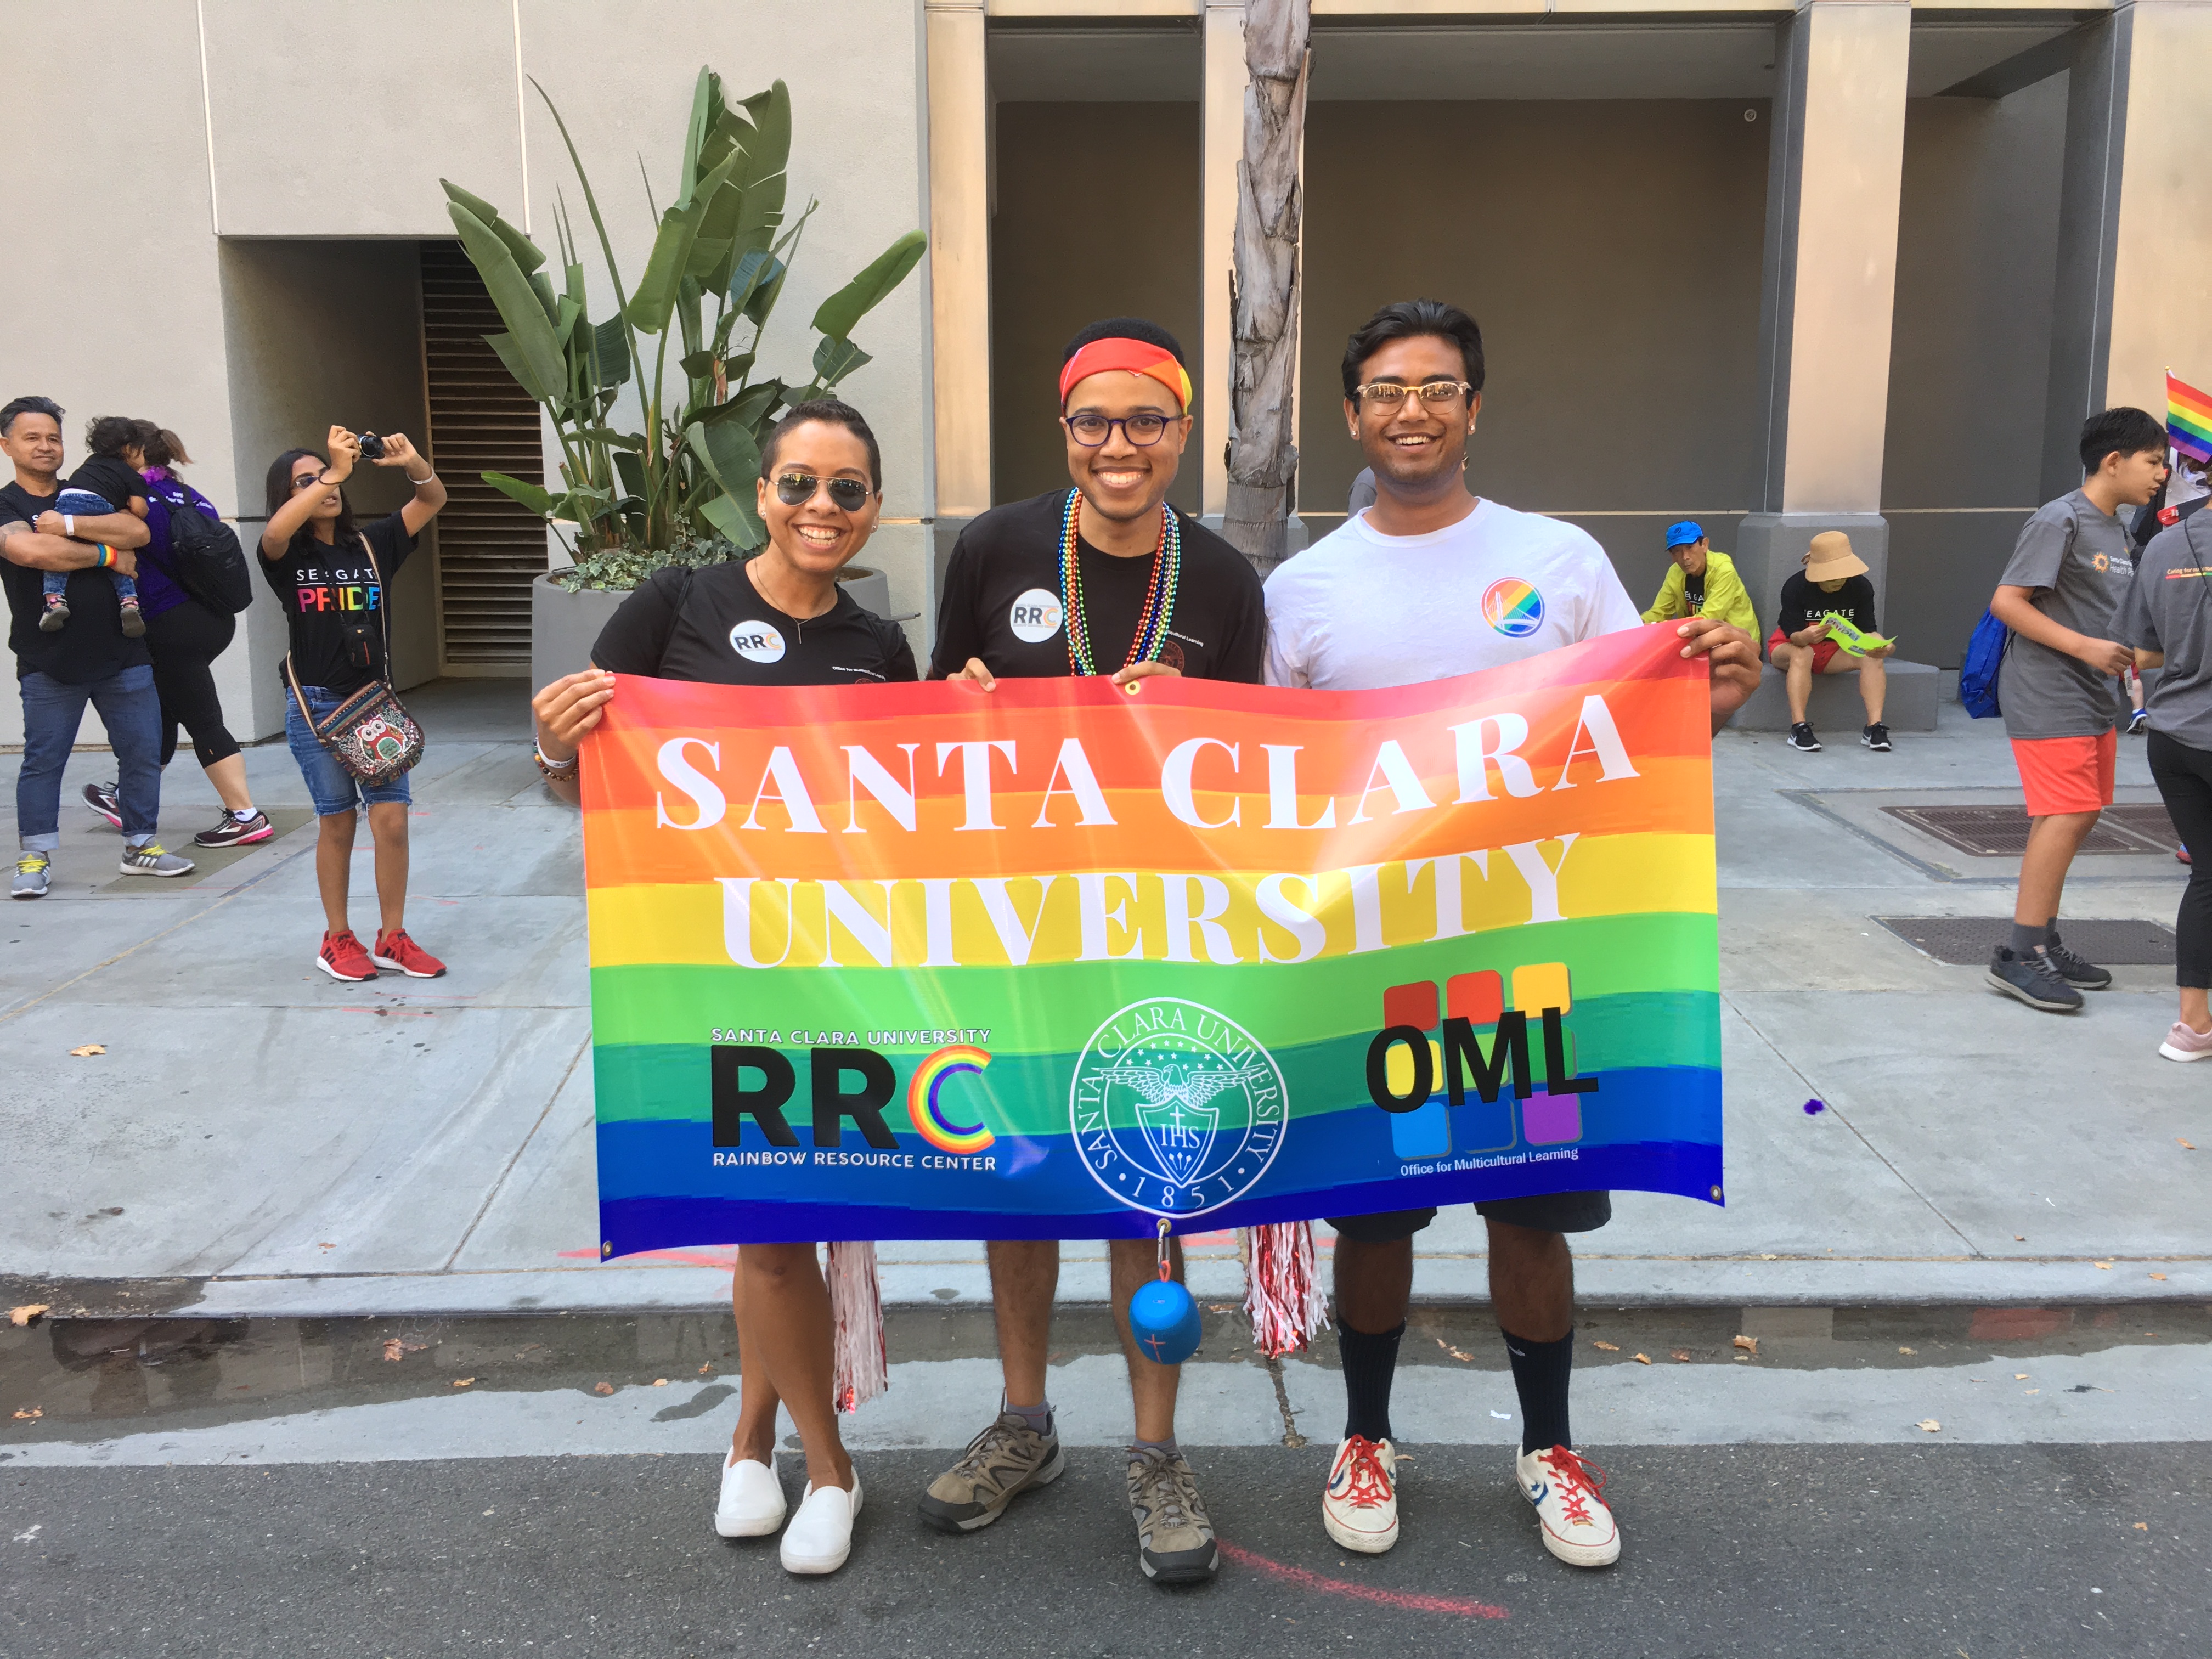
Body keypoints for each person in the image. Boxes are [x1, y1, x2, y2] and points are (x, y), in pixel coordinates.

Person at [1263, 300, 1759, 1572]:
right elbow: (1261, 791)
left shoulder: (1562, 560)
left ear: (1474, 408)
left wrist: (1716, 699)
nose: (1412, 409)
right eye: (1386, 389)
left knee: (1528, 1217)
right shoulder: (1303, 591)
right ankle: (1365, 1435)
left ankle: (1549, 1446)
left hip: (1532, 962)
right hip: (1370, 968)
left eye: (1438, 387)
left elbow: (1640, 736)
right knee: (1372, 1219)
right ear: (1352, 415)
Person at [531, 399, 914, 1577]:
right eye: (799, 484)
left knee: (796, 1214)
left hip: (835, 974)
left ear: (874, 508)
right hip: (702, 967)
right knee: (769, 1218)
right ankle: (833, 1468)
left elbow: (909, 818)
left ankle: (751, 1439)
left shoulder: (878, 644)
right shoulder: (680, 604)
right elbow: (581, 773)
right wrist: (555, 742)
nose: (822, 509)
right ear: (761, 492)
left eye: (847, 491)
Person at [922, 318, 1265, 1585]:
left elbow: (1251, 782)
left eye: (1145, 422)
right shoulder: (997, 546)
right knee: (1018, 1179)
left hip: (1160, 937)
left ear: (1180, 433)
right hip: (1011, 929)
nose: (1118, 447)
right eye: (1093, 423)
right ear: (1063, 429)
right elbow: (923, 722)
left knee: (1145, 1188)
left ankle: (1155, 1449)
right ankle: (1025, 1426)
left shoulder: (1223, 581)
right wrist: (953, 708)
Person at [1985, 407, 2169, 1013]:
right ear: (2112, 461)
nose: (2162, 474)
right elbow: (2008, 602)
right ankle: (2020, 954)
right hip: (2047, 688)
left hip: (2094, 694)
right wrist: (2084, 647)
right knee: (2067, 812)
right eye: (2153, 462)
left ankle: (2044, 937)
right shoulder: (2058, 519)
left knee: (2079, 816)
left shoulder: (2117, 529)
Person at [259, 426, 448, 979]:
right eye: (307, 481)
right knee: (337, 823)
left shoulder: (372, 544)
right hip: (316, 707)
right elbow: (272, 533)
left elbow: (432, 499)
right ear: (287, 495)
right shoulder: (285, 553)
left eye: (330, 474)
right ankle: (337, 938)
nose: (326, 485)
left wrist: (413, 461)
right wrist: (335, 473)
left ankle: (393, 937)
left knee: (391, 821)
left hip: (373, 706)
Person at [2, 396, 194, 898]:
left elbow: (139, 529)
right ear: (6, 445)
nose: (46, 446)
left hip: (123, 651)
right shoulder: (6, 504)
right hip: (49, 660)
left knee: (141, 751)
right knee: (44, 760)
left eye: (53, 437)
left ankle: (141, 846)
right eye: (32, 437)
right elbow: (29, 549)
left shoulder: (86, 487)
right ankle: (34, 857)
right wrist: (108, 552)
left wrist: (78, 535)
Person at [80, 424, 270, 849]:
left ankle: (245, 815)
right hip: (214, 618)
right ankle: (127, 795)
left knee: (202, 718)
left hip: (169, 623)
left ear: (133, 454)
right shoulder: (189, 495)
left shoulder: (134, 502)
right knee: (165, 708)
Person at [2117, 504, 2212, 1059]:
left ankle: (2192, 1026)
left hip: (2174, 734)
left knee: (2207, 876)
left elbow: (2144, 649)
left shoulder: (2167, 546)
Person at [1768, 531, 1895, 753]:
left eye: (1843, 574)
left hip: (1836, 651)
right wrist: (1805, 636)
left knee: (1871, 656)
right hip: (1791, 646)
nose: (1838, 580)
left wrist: (1883, 646)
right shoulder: (1796, 586)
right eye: (1832, 575)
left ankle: (1874, 727)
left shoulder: (1861, 587)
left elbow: (1869, 630)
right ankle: (1798, 728)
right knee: (1803, 653)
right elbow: (1794, 634)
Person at [41, 416, 148, 636]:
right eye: (143, 452)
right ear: (129, 449)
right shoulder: (132, 475)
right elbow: (138, 510)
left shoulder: (90, 463)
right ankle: (129, 602)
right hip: (99, 505)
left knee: (59, 547)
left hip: (67, 500)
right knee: (121, 547)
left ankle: (54, 599)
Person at [1642, 520, 1758, 639]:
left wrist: (1664, 627)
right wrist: (1636, 624)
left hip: (1739, 639)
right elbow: (1659, 612)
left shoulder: (1724, 570)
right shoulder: (1675, 572)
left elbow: (1710, 617)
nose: (1685, 557)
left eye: (1690, 547)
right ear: (1672, 556)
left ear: (1705, 545)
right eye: (1677, 551)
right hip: (1698, 636)